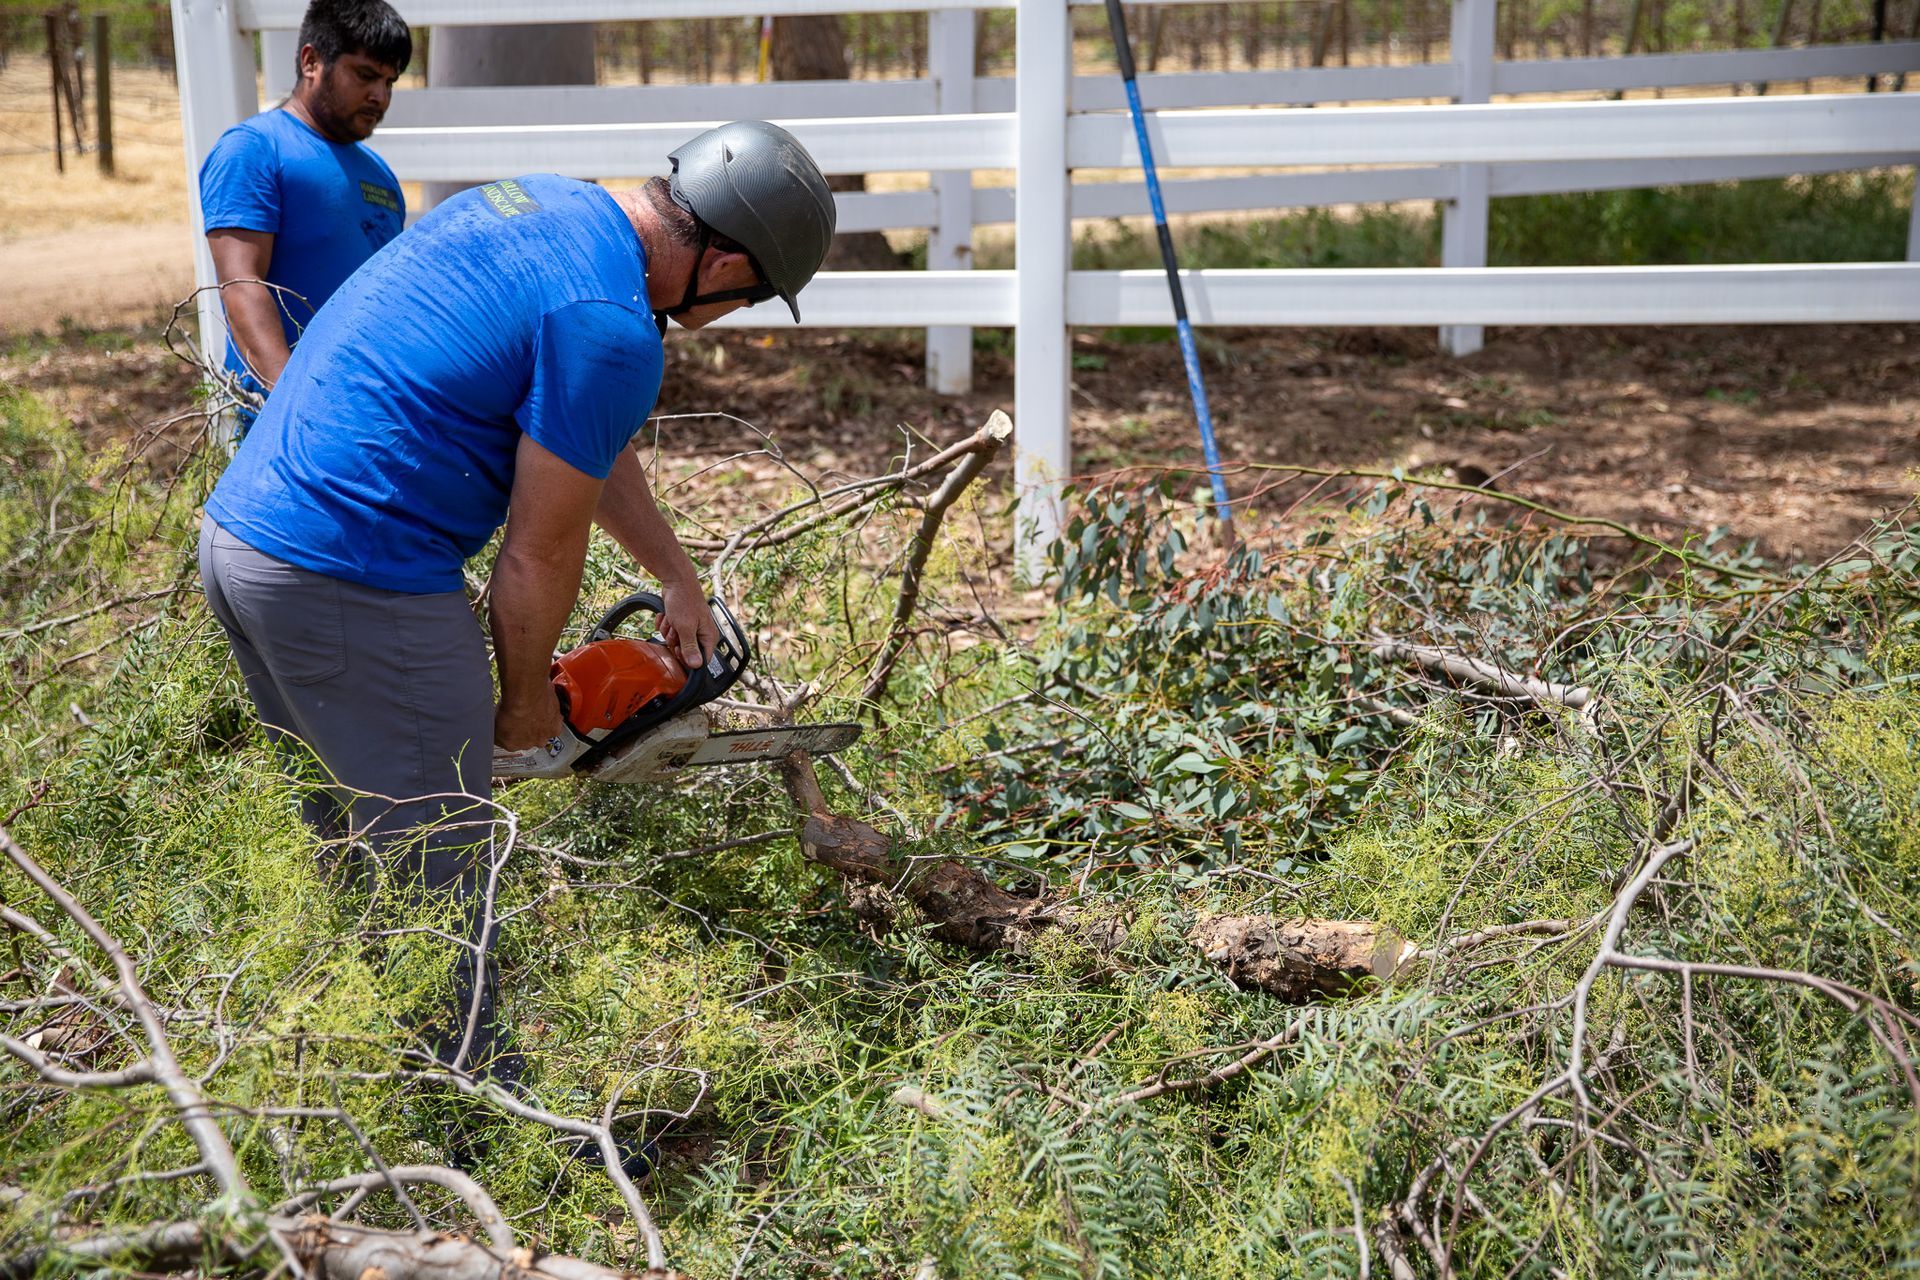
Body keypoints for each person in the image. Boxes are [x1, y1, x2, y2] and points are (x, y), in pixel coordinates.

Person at [197, 122, 837, 1082]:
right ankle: (480, 1131)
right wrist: (527, 705)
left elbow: (588, 434)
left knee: (353, 847)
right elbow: (537, 554)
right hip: (352, 576)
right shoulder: (613, 327)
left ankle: (340, 1081)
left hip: (243, 542)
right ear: (729, 260)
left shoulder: (546, 201)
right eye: (748, 295)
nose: (734, 312)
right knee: (443, 869)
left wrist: (675, 572)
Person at [197, 0, 410, 431]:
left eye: (390, 81)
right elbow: (241, 285)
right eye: (365, 75)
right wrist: (291, 407)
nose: (380, 96)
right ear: (311, 61)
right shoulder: (255, 149)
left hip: (368, 421)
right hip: (286, 426)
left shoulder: (381, 177)